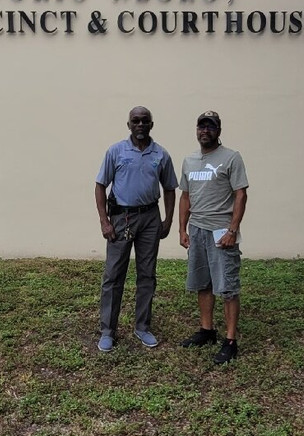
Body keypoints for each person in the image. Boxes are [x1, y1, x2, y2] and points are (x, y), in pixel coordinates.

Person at [95, 106, 178, 352]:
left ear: (151, 124)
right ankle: (108, 330)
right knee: (113, 275)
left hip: (150, 217)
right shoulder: (116, 151)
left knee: (147, 275)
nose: (140, 125)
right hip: (121, 218)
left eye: (145, 121)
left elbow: (170, 188)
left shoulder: (160, 154)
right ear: (128, 125)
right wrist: (104, 221)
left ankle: (142, 327)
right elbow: (100, 185)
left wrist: (168, 220)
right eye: (135, 121)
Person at [178, 110, 249, 364]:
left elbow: (240, 195)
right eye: (201, 126)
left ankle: (230, 340)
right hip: (197, 230)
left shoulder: (231, 158)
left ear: (218, 131)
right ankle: (207, 330)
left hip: (221, 232)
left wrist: (232, 230)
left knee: (227, 287)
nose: (205, 130)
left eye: (210, 126)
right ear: (196, 129)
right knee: (202, 283)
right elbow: (185, 197)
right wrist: (182, 229)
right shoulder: (189, 160)